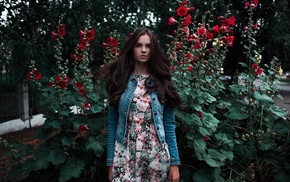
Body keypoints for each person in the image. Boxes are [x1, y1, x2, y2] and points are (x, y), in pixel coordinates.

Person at [102, 27, 181, 182]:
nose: (143, 50)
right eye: (138, 45)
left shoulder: (161, 83)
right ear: (132, 48)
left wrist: (175, 163)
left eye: (148, 46)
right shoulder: (119, 81)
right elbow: (112, 124)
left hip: (156, 156)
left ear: (153, 50)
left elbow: (169, 123)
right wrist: (111, 163)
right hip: (124, 155)